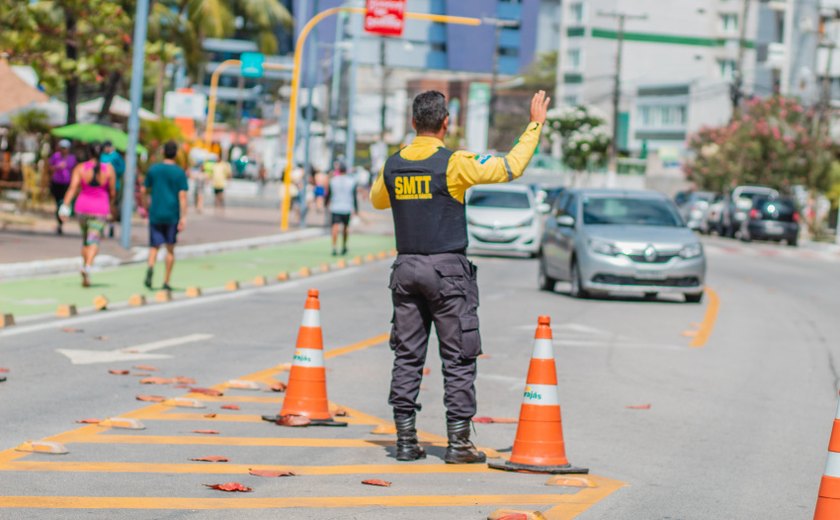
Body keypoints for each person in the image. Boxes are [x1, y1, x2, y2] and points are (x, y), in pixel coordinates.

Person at [369, 90, 550, 463]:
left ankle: (405, 440)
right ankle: (459, 443)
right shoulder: (454, 163)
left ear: (413, 122)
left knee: (407, 355)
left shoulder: (392, 164)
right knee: (458, 357)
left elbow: (378, 200)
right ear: (445, 123)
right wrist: (535, 125)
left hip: (406, 269)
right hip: (448, 271)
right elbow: (510, 167)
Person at [59, 142, 116, 287]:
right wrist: (111, 205)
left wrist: (64, 206)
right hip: (99, 208)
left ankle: (85, 269)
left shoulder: (80, 168)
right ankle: (88, 266)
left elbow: (73, 188)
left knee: (86, 240)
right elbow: (113, 192)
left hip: (82, 207)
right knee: (94, 240)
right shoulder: (108, 169)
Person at [141, 140, 188, 291]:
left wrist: (145, 206)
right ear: (176, 154)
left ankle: (150, 266)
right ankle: (166, 281)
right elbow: (182, 196)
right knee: (170, 249)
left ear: (163, 152)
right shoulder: (179, 172)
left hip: (155, 212)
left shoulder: (154, 170)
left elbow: (143, 190)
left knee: (154, 246)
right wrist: (183, 217)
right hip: (172, 214)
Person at [326, 163, 357, 256]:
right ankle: (344, 246)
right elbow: (354, 196)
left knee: (335, 227)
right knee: (345, 227)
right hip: (347, 207)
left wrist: (325, 203)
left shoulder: (333, 180)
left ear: (338, 171)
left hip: (335, 206)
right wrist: (356, 209)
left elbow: (329, 194)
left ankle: (334, 247)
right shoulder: (351, 181)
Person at [49, 139, 77, 235]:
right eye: (62, 148)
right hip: (56, 183)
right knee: (58, 203)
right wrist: (57, 167)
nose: (63, 150)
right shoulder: (56, 156)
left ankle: (60, 223)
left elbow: (75, 171)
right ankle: (59, 222)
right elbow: (49, 167)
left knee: (63, 203)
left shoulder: (72, 158)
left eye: (65, 148)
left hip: (67, 183)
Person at [100, 140, 125, 238]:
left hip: (114, 185)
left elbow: (122, 169)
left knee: (112, 205)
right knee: (102, 206)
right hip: (102, 185)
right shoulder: (102, 155)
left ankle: (111, 225)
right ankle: (101, 226)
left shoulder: (116, 156)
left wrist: (112, 171)